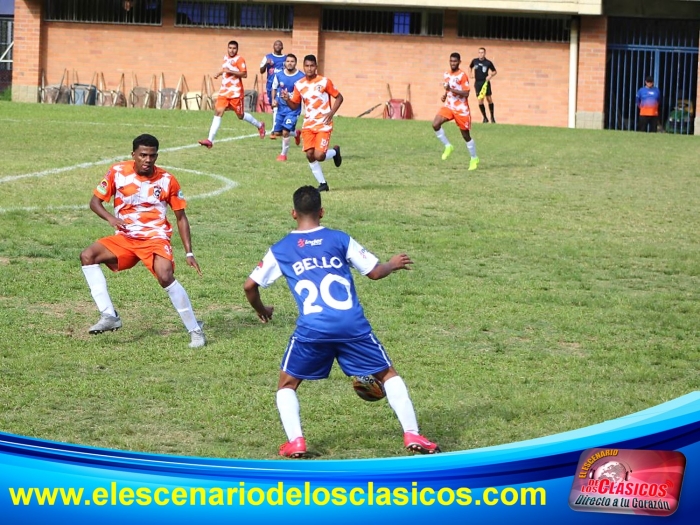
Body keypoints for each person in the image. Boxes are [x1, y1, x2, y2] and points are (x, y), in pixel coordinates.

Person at [243, 186, 440, 458]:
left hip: (313, 329)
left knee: (287, 385)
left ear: (293, 213)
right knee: (387, 375)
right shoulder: (339, 239)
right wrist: (392, 264)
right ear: (322, 212)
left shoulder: (281, 249)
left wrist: (263, 309)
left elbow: (249, 286)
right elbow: (374, 272)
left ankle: (296, 442)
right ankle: (412, 433)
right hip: (351, 326)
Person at [80, 134, 206, 349]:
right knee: (88, 256)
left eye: (152, 156)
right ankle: (109, 315)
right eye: (143, 155)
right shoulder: (117, 172)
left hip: (155, 237)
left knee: (165, 276)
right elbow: (95, 202)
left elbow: (181, 217)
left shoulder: (167, 180)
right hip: (126, 237)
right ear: (133, 155)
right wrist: (111, 218)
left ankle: (195, 330)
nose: (148, 160)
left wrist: (189, 252)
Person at [282, 55, 343, 192]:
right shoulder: (299, 85)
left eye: (312, 66)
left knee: (319, 156)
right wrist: (287, 99)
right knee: (310, 154)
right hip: (308, 125)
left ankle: (335, 152)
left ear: (316, 67)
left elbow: (339, 97)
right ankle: (323, 184)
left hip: (323, 124)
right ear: (303, 67)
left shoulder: (324, 82)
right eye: (307, 66)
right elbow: (294, 105)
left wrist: (331, 112)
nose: (309, 68)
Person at [199, 40, 265, 149]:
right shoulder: (226, 57)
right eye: (230, 48)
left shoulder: (239, 59)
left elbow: (244, 74)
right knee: (218, 112)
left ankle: (259, 125)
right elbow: (226, 70)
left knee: (240, 115)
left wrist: (230, 71)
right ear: (227, 48)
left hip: (236, 93)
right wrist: (220, 73)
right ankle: (210, 140)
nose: (232, 50)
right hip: (224, 92)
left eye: (234, 48)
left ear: (237, 49)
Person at [433, 52, 479, 171]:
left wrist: (451, 90)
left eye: (455, 61)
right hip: (449, 106)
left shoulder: (462, 75)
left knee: (466, 136)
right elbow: (448, 88)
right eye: (451, 61)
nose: (453, 63)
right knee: (435, 124)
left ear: (459, 62)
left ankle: (474, 158)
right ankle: (448, 146)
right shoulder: (446, 74)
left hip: (461, 109)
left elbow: (466, 93)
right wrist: (445, 95)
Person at [271, 54, 305, 161]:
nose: (290, 63)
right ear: (285, 63)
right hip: (281, 108)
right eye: (288, 61)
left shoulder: (301, 76)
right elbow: (274, 87)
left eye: (292, 61)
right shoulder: (279, 75)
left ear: (295, 63)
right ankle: (296, 133)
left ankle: (283, 155)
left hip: (293, 109)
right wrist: (273, 99)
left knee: (285, 132)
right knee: (277, 133)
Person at [260, 40, 287, 139]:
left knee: (276, 106)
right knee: (274, 106)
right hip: (270, 85)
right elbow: (261, 71)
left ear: (282, 47)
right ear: (273, 46)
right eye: (276, 44)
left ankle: (274, 130)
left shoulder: (285, 58)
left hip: (281, 86)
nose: (278, 46)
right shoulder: (268, 57)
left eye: (280, 45)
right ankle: (290, 131)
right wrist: (266, 64)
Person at [469, 47, 497, 124]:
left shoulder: (488, 62)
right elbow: (470, 67)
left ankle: (492, 117)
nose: (480, 54)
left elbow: (494, 71)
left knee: (489, 99)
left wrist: (490, 75)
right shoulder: (474, 61)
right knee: (480, 100)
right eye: (479, 52)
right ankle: (485, 117)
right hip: (477, 83)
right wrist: (470, 73)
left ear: (484, 53)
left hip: (485, 82)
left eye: (482, 52)